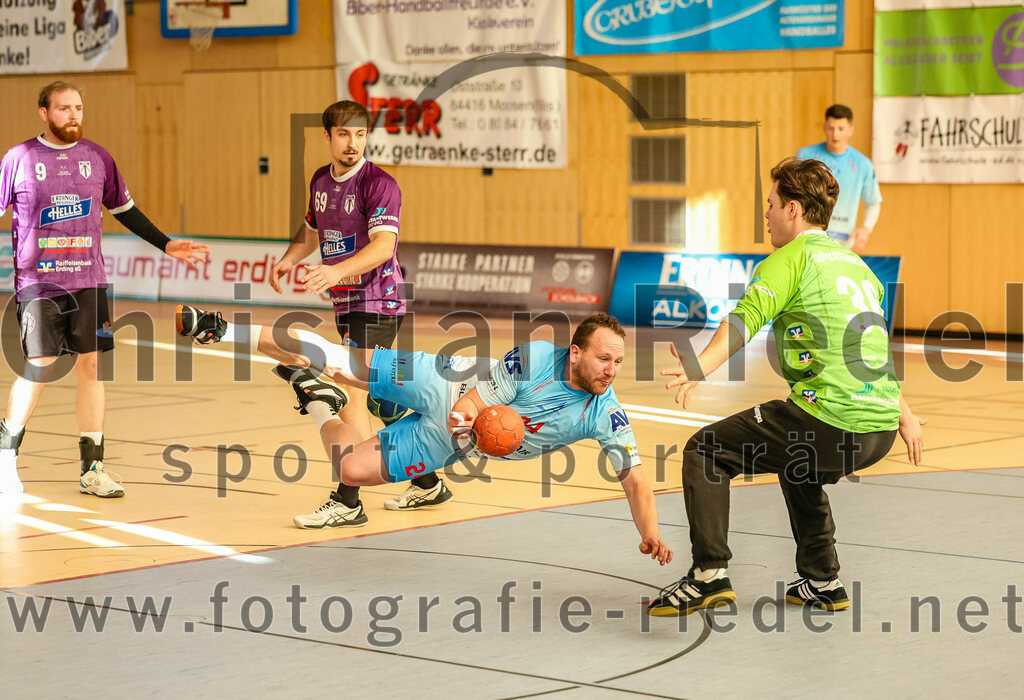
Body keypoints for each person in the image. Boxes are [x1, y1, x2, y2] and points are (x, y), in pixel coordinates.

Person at [175, 305, 673, 564]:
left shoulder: (604, 413)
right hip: (447, 385)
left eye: (618, 362)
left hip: (455, 442)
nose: (611, 370)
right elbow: (472, 402)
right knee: (343, 363)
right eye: (603, 359)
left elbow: (635, 481)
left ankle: (318, 400)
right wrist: (465, 417)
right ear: (576, 353)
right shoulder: (537, 357)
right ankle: (220, 328)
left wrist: (649, 532)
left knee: (351, 469)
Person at [646, 158, 925, 617]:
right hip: (879, 431)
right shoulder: (860, 269)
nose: (767, 213)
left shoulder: (789, 260)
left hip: (833, 421)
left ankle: (708, 574)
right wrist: (904, 415)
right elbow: (870, 351)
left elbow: (744, 321)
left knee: (706, 450)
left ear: (793, 209)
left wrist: (700, 366)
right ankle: (823, 580)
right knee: (797, 458)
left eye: (771, 204)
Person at [0, 81, 209, 496]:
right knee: (39, 366)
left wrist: (166, 244)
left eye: (78, 107)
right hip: (39, 284)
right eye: (64, 108)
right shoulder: (19, 158)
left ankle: (92, 468)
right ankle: (6, 458)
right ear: (44, 113)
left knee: (93, 369)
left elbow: (125, 210)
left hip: (88, 281)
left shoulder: (97, 158)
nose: (73, 115)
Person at [267, 99, 451, 523]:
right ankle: (428, 482)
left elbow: (384, 246)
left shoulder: (379, 184)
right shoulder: (320, 180)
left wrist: (334, 272)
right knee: (382, 399)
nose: (353, 143)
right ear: (327, 137)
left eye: (361, 134)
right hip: (347, 303)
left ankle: (348, 499)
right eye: (344, 134)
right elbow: (312, 228)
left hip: (378, 300)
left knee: (350, 388)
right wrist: (290, 258)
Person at [796, 104, 882, 254]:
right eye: (831, 128)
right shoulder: (805, 156)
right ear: (824, 128)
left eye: (841, 129)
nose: (835, 134)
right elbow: (789, 195)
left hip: (844, 244)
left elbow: (873, 202)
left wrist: (866, 229)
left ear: (850, 131)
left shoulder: (862, 164)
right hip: (807, 239)